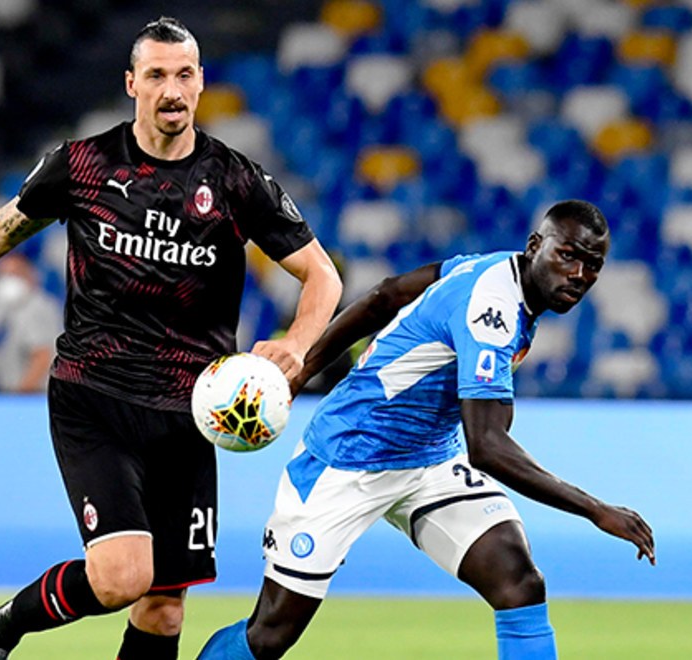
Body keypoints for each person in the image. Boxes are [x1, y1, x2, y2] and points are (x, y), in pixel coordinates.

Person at [0, 16, 342, 660]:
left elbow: (321, 275)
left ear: (200, 83)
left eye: (184, 75)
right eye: (156, 75)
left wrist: (297, 345)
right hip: (94, 395)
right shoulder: (82, 164)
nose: (171, 90)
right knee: (122, 577)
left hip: (189, 412)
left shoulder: (236, 181)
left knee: (163, 608)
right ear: (132, 83)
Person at [198, 200, 656, 660]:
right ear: (535, 245)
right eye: (568, 256)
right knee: (270, 634)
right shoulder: (491, 310)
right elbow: (488, 448)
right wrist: (596, 510)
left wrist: (305, 367)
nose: (578, 274)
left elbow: (387, 294)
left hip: (429, 461)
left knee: (519, 583)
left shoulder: (492, 269)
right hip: (349, 457)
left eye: (592, 265)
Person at [0, 251, 60, 393]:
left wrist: (21, 394)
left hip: (33, 395)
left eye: (14, 274)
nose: (8, 281)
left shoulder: (35, 307)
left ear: (31, 274)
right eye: (3, 275)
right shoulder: (15, 309)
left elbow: (42, 356)